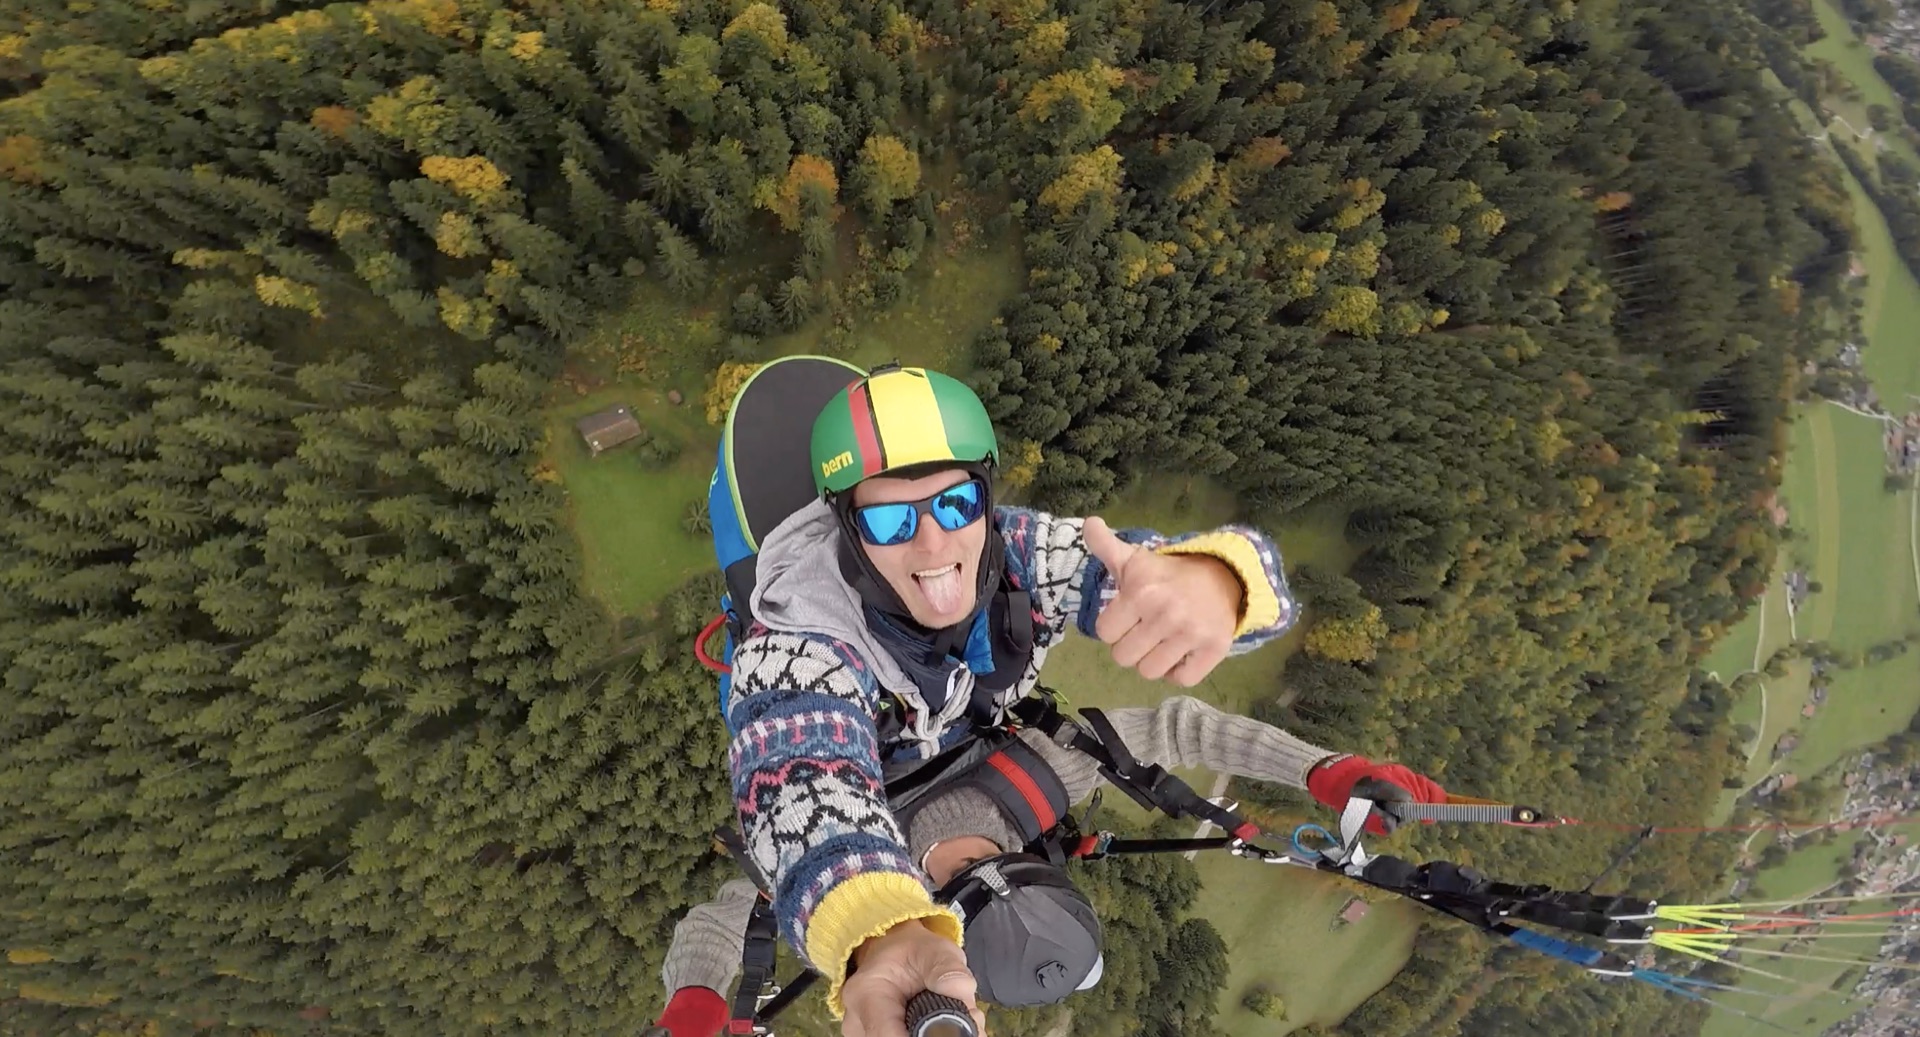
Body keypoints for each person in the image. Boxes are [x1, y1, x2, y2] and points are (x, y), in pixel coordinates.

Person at [666, 364, 1444, 1037]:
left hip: (876, 776)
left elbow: (795, 811)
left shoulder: (881, 876)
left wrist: (1216, 580)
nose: (934, 543)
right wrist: (1309, 747)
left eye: (953, 505)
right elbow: (1179, 727)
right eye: (892, 518)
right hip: (926, 726)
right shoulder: (1027, 778)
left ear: (983, 498)